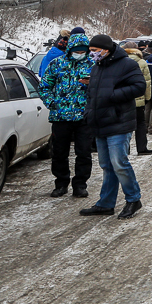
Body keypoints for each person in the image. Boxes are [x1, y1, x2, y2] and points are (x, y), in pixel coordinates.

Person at [80, 34, 146, 219]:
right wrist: (88, 114)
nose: (91, 54)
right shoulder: (97, 67)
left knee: (119, 163)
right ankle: (106, 203)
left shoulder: (127, 65)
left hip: (119, 121)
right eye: (90, 51)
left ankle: (133, 199)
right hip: (100, 122)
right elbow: (92, 95)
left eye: (94, 51)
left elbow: (139, 86)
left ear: (106, 50)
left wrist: (113, 95)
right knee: (107, 165)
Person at [39, 32, 94, 198]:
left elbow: (101, 88)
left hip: (83, 117)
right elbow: (44, 86)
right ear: (70, 49)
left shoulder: (93, 65)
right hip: (60, 117)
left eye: (83, 50)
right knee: (59, 152)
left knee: (84, 152)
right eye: (77, 50)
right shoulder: (57, 63)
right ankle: (61, 183)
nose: (80, 52)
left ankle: (80, 184)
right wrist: (52, 103)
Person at [123, 45, 152, 154]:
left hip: (125, 98)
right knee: (140, 124)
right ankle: (142, 148)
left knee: (126, 126)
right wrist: (147, 98)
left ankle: (125, 150)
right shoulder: (142, 62)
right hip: (139, 99)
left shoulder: (120, 62)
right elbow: (147, 82)